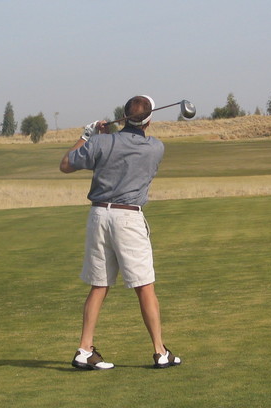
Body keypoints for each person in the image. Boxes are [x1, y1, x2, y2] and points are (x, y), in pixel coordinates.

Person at [60, 95, 181, 370]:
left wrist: (88, 135)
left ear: (123, 117)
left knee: (99, 285)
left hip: (99, 216)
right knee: (144, 286)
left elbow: (66, 164)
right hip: (128, 218)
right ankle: (160, 352)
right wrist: (104, 138)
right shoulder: (155, 148)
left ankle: (84, 349)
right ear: (148, 121)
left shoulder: (101, 142)